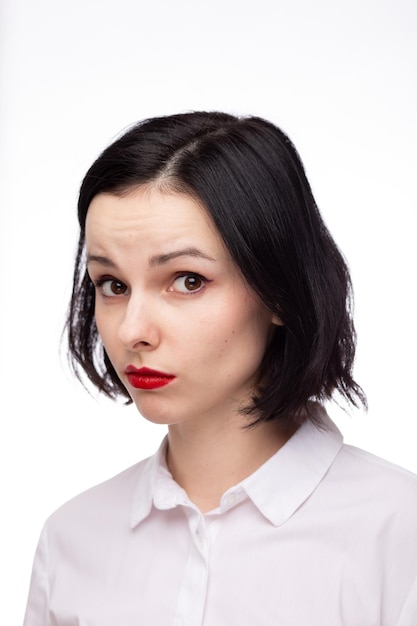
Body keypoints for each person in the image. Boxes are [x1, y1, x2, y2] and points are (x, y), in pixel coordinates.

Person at [23, 112, 417, 626]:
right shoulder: (72, 540)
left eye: (187, 280)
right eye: (112, 284)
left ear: (280, 289)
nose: (130, 331)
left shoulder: (398, 532)